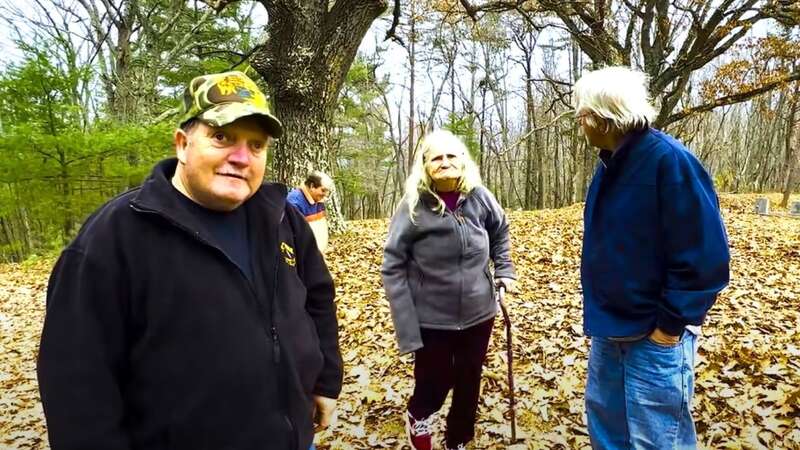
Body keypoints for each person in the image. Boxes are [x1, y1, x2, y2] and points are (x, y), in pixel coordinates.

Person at [37, 70, 343, 450]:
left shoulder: (281, 217)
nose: (241, 157)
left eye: (257, 145)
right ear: (182, 144)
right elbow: (75, 384)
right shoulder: (114, 237)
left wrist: (327, 378)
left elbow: (318, 298)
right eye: (222, 137)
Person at [574, 66, 730, 449]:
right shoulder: (608, 164)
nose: (580, 121)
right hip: (609, 330)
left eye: (582, 113)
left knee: (658, 439)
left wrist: (670, 326)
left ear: (603, 117)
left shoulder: (669, 162)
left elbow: (706, 256)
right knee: (608, 433)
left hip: (655, 335)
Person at [381, 130, 516, 450]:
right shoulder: (412, 207)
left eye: (452, 156)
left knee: (469, 380)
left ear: (463, 161)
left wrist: (504, 270)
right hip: (432, 318)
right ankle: (419, 416)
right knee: (434, 380)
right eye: (436, 157)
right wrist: (406, 324)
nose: (445, 162)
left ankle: (458, 438)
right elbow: (393, 264)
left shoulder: (480, 197)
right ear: (425, 166)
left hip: (480, 311)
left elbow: (500, 230)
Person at [287, 171, 334, 253]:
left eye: (327, 191)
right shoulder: (294, 203)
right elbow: (292, 236)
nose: (325, 195)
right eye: (323, 190)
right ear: (312, 186)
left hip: (316, 254)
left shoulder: (319, 200)